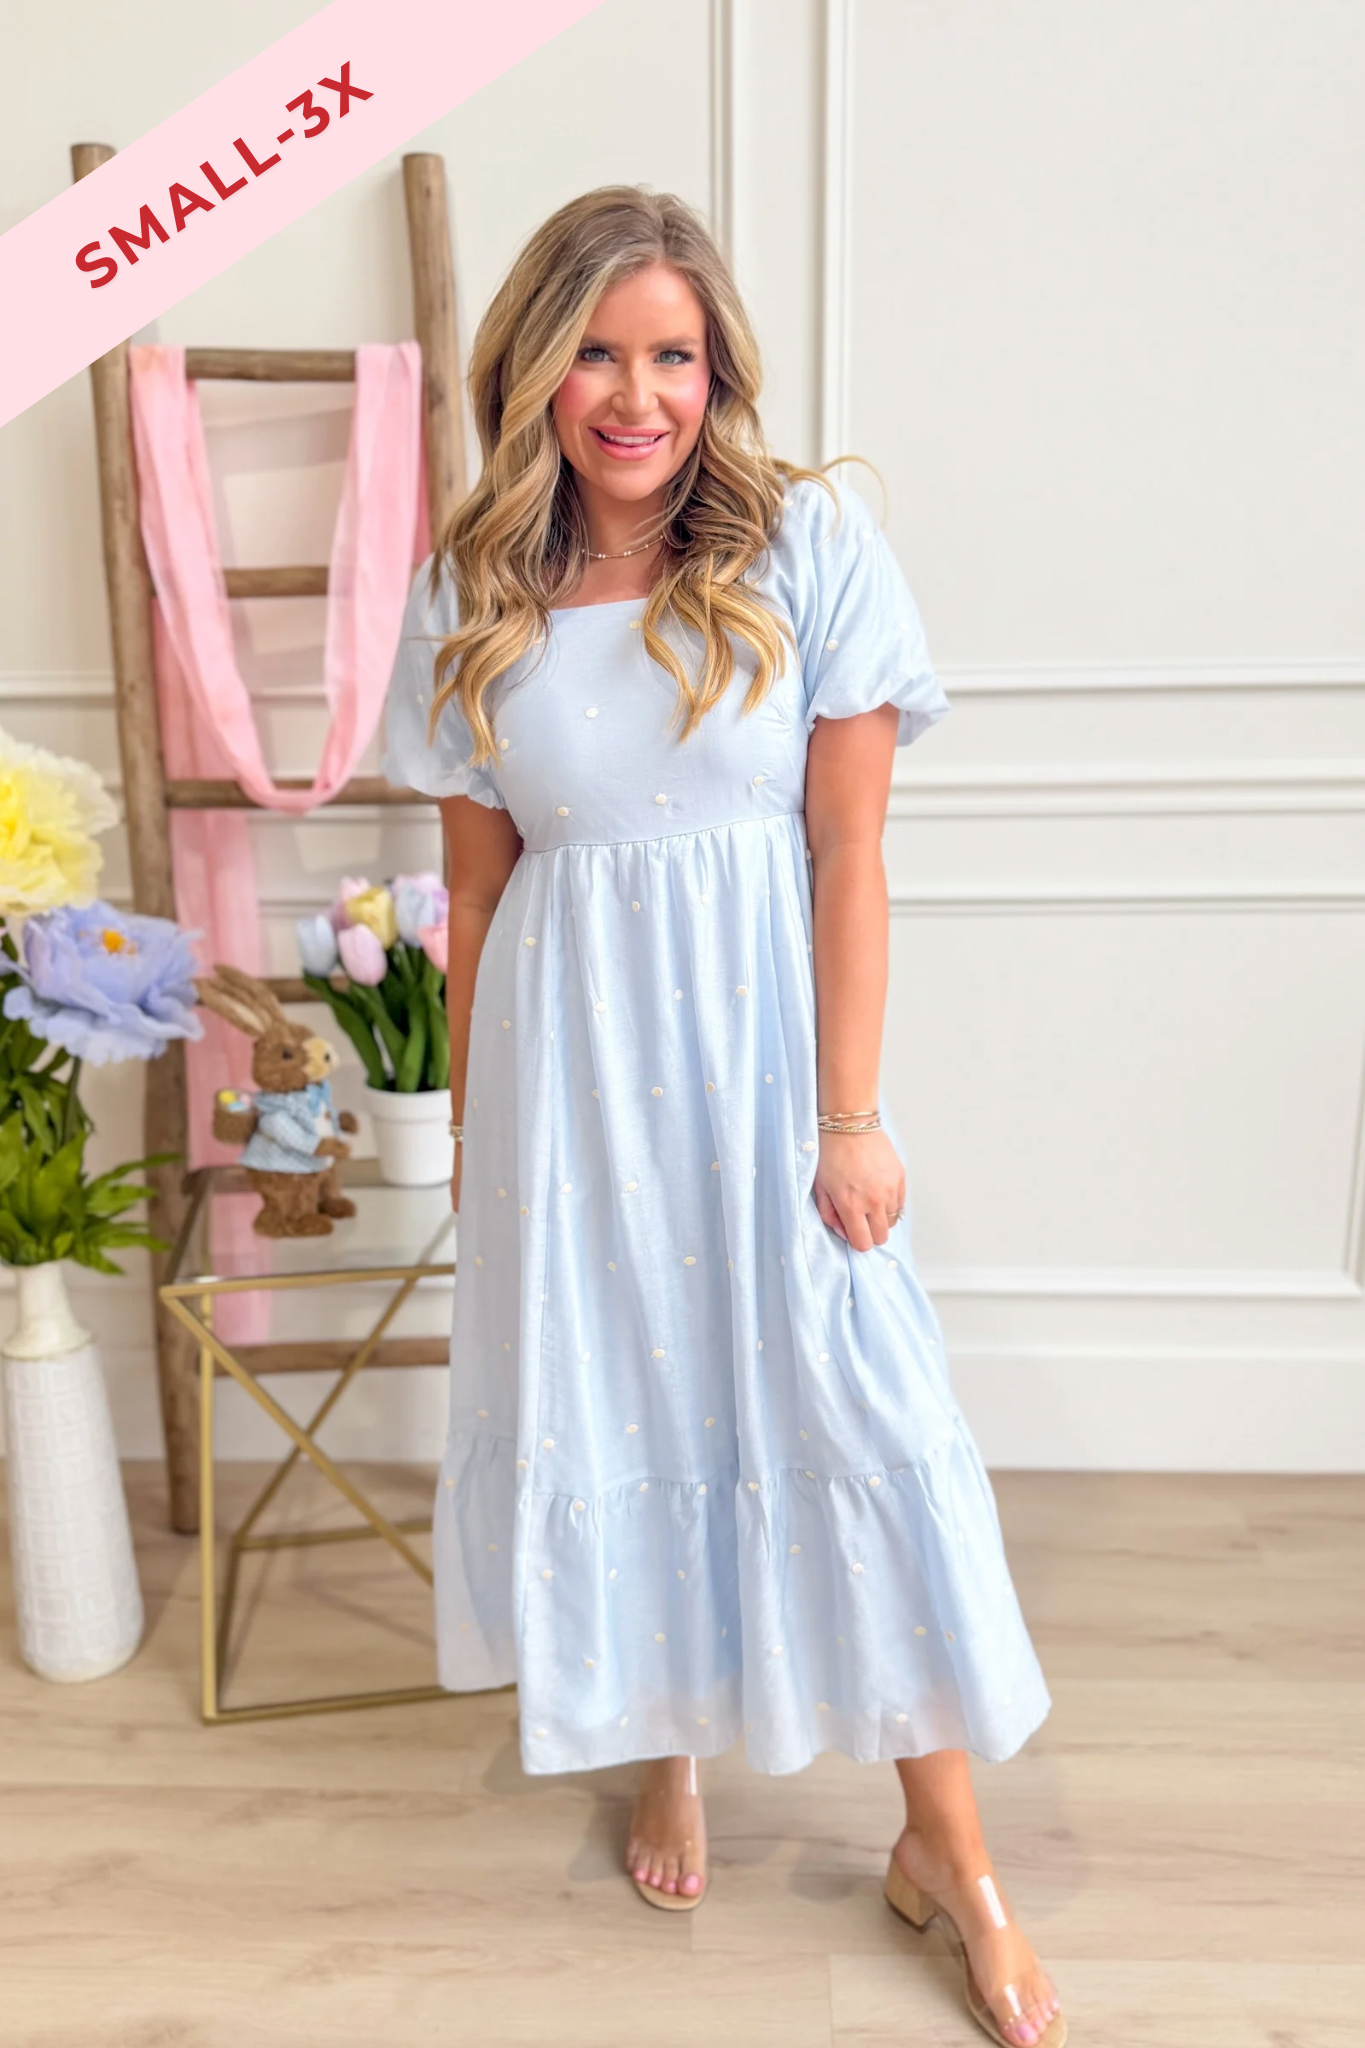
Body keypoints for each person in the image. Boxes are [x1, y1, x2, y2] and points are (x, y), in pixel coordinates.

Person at [381, 185, 1065, 2048]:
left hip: (768, 1068)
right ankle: (662, 1746)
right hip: (568, 1079)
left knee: (858, 1407)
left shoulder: (809, 546)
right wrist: (481, 1140)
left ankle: (953, 1855)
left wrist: (852, 1117)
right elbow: (476, 899)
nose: (638, 396)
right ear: (532, 371)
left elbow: (850, 853)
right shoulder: (471, 592)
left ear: (718, 369)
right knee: (623, 1393)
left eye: (672, 355)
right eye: (596, 353)